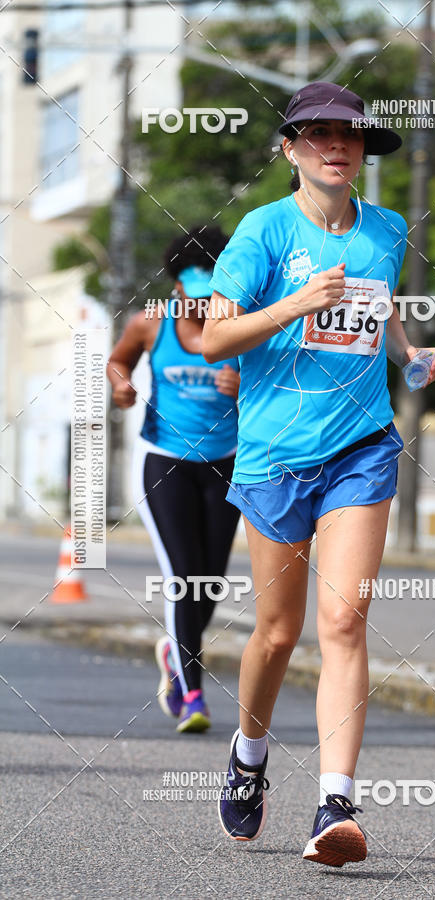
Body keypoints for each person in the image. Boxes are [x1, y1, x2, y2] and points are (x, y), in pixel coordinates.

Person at [202, 82, 435, 864]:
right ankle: (248, 754)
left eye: (349, 135)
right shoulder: (262, 231)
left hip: (360, 446)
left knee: (342, 622)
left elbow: (379, 302)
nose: (335, 145)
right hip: (274, 455)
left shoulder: (387, 229)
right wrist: (295, 303)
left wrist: (409, 355)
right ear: (289, 149)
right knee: (276, 633)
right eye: (316, 134)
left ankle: (334, 805)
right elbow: (211, 339)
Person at [106, 225, 241, 733]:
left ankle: (172, 652)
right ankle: (192, 695)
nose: (203, 304)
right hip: (165, 463)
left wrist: (242, 385)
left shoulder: (240, 326)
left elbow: (275, 382)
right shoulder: (150, 324)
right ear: (176, 284)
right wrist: (121, 387)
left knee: (211, 583)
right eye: (194, 291)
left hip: (227, 465)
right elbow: (118, 361)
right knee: (185, 576)